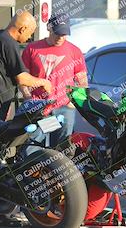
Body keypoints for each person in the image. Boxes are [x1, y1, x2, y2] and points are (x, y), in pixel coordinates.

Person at [0, 11, 52, 121]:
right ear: (23, 29)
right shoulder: (9, 43)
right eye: (30, 33)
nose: (30, 37)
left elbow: (2, 70)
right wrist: (44, 82)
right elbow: (22, 78)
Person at [21, 13, 88, 150]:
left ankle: (57, 171)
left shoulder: (74, 51)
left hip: (64, 108)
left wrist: (73, 103)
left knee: (61, 149)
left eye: (64, 34)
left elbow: (82, 80)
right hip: (38, 108)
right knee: (32, 146)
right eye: (57, 33)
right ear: (49, 28)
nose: (60, 37)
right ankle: (30, 170)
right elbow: (22, 78)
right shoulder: (32, 49)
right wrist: (28, 98)